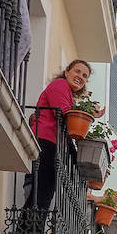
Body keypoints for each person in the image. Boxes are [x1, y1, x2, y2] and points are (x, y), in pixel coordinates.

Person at [21, 59, 93, 223]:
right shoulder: (60, 85)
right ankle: (29, 229)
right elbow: (63, 113)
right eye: (77, 71)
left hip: (52, 143)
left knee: (44, 191)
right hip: (46, 140)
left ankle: (31, 229)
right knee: (42, 190)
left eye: (84, 76)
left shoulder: (68, 93)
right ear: (67, 72)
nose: (80, 77)